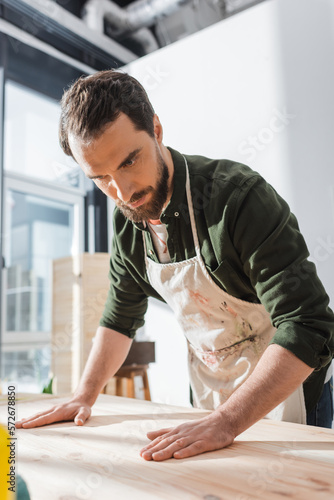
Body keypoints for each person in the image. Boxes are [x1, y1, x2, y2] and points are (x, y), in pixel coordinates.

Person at [16, 70, 334, 461]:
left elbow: (309, 324)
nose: (124, 192)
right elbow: (119, 318)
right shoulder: (126, 224)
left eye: (131, 160)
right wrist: (84, 395)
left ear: (156, 129)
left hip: (288, 395)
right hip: (208, 398)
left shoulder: (237, 199)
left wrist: (227, 422)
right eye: (101, 179)